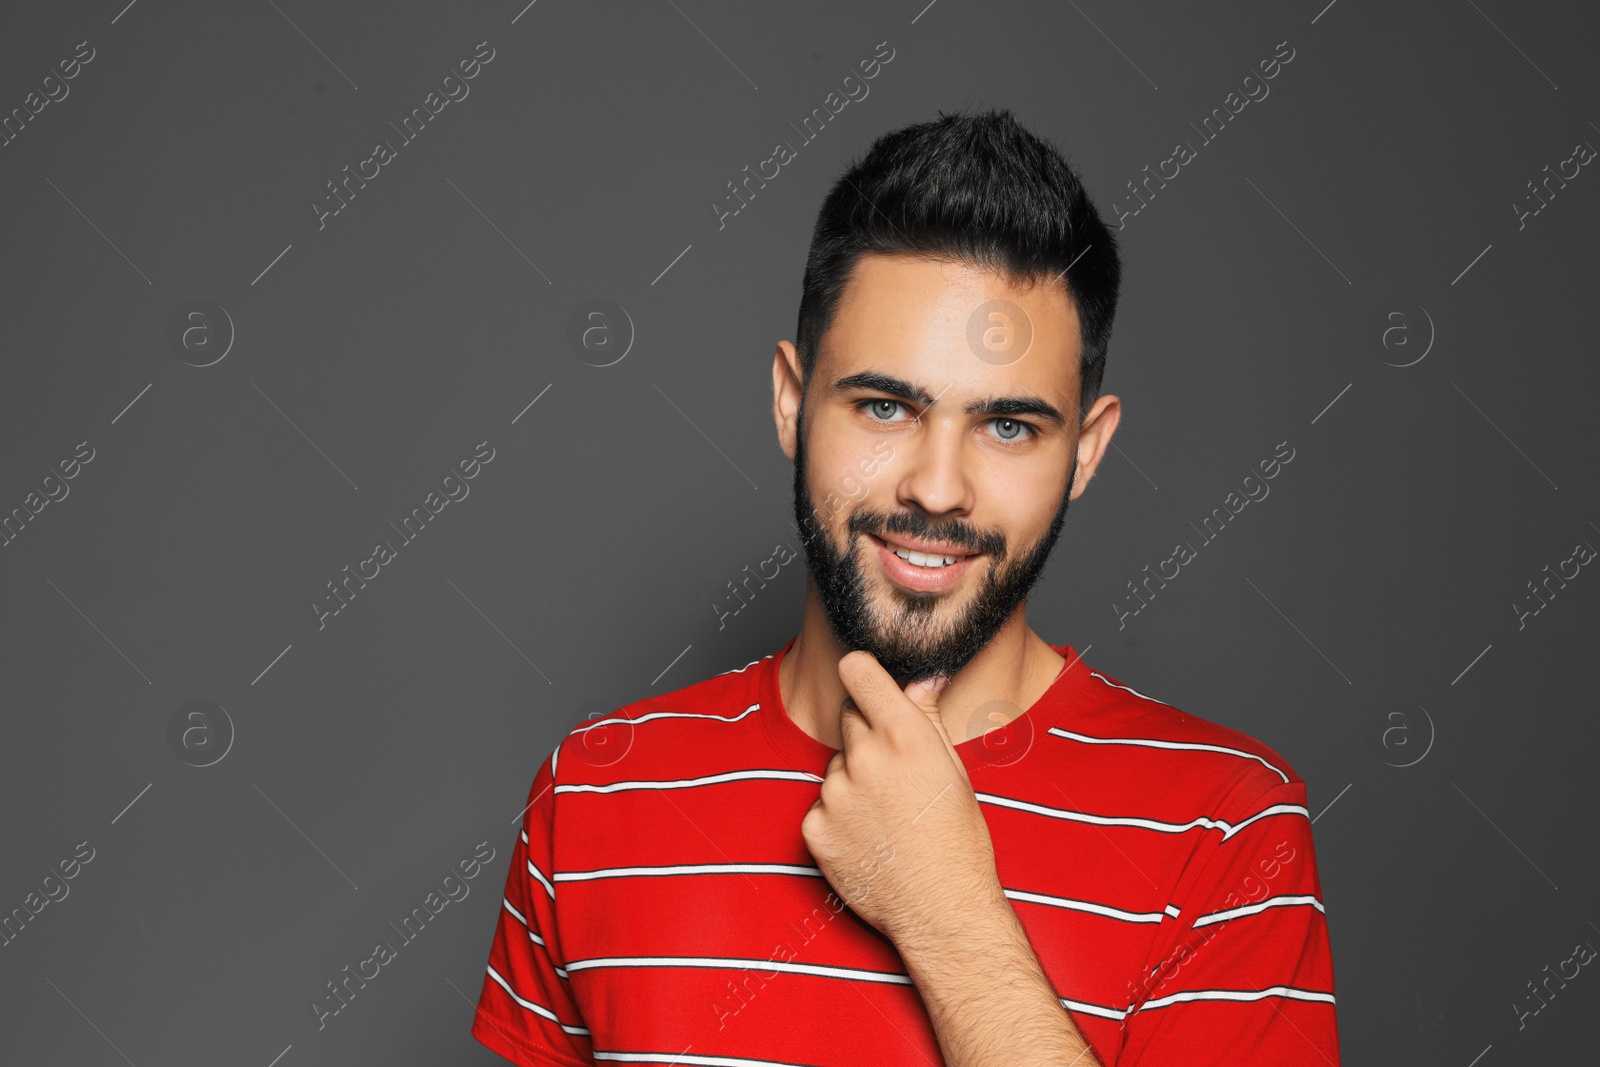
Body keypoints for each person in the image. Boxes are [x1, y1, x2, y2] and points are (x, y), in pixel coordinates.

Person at [471, 108, 1339, 1066]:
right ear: (791, 405)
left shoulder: (1225, 830)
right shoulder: (597, 792)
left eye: (1008, 426)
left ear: (1085, 452)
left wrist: (948, 917)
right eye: (886, 406)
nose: (936, 486)